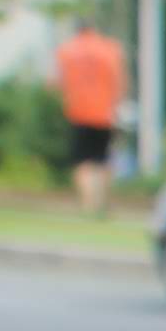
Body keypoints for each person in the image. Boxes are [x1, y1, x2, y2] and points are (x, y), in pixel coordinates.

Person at [51, 16, 122, 212]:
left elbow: (56, 82)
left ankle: (88, 205)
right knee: (103, 159)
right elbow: (118, 81)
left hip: (78, 112)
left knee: (82, 160)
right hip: (105, 113)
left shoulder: (66, 51)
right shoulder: (109, 49)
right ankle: (102, 203)